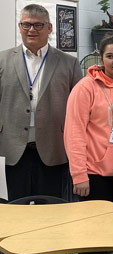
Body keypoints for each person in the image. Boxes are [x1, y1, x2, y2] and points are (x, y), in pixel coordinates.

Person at [0, 4, 82, 201]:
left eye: (38, 25)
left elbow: (78, 110)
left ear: (50, 28)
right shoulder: (2, 60)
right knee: (13, 210)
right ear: (20, 27)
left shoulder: (69, 63)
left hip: (54, 148)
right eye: (26, 25)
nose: (31, 30)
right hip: (11, 150)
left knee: (51, 209)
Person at [64, 35, 113, 209]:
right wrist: (79, 175)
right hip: (94, 175)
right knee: (97, 231)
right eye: (109, 56)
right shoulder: (85, 88)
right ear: (101, 59)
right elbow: (74, 133)